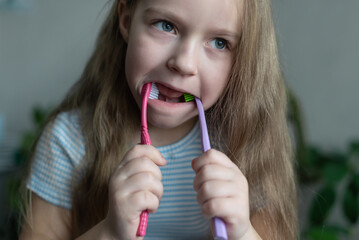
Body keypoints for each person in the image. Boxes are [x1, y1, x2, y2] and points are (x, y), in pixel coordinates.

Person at [19, 0, 297, 239]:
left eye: (219, 42)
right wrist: (110, 233)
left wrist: (243, 233)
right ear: (126, 21)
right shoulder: (68, 141)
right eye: (166, 25)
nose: (184, 63)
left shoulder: (246, 145)